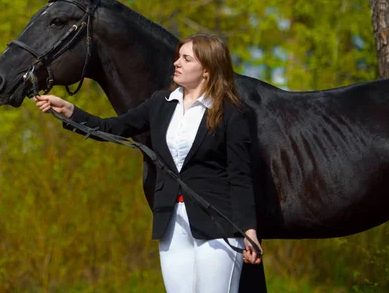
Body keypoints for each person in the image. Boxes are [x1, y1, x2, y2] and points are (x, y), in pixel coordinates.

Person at [33, 34, 262, 293]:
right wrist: (71, 111)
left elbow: (240, 175)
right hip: (170, 224)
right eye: (178, 56)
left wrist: (249, 230)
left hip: (219, 225)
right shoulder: (160, 104)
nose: (176, 63)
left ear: (207, 70)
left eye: (186, 59)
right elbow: (112, 127)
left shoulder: (232, 113)